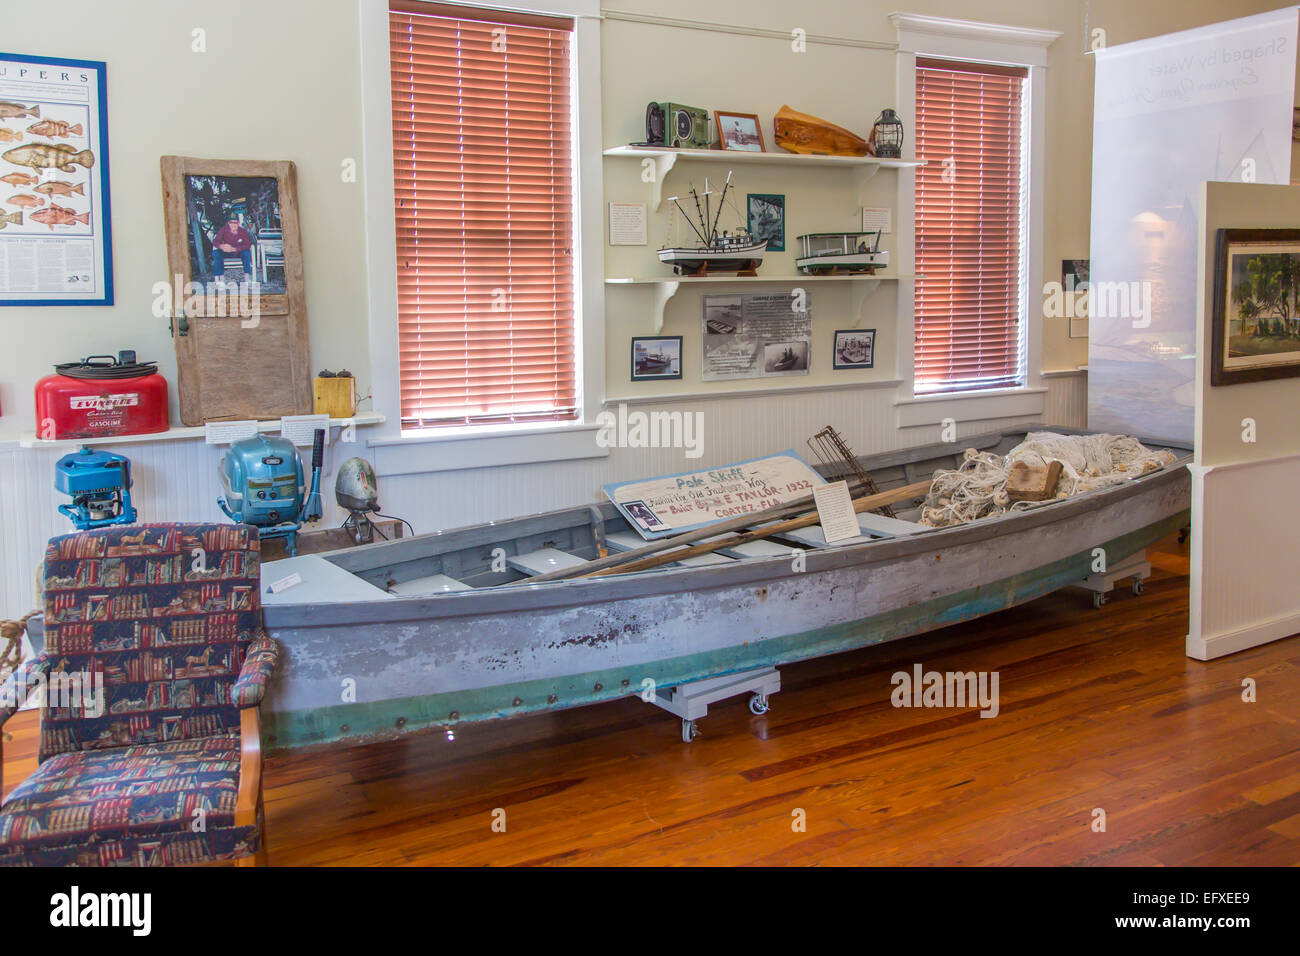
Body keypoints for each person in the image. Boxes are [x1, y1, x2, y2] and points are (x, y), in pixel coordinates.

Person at [210, 213, 254, 283]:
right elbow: (215, 242)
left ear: (238, 223)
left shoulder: (243, 231)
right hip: (226, 252)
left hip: (238, 252)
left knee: (246, 253)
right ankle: (221, 279)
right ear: (228, 223)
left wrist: (235, 249)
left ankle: (247, 277)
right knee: (216, 253)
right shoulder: (223, 230)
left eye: (235, 223)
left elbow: (247, 245)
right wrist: (222, 246)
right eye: (231, 222)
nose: (233, 225)